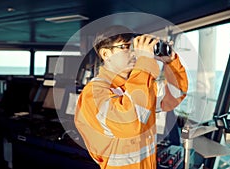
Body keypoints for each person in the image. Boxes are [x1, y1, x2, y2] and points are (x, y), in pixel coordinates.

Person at [74, 25, 188, 169]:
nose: (134, 53)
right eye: (125, 46)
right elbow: (129, 124)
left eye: (134, 47)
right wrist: (144, 64)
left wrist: (171, 62)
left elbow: (175, 96)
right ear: (105, 54)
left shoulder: (137, 85)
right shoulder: (94, 93)